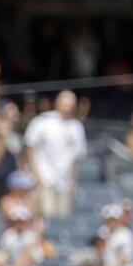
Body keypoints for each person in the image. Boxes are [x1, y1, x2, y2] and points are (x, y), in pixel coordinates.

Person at [24, 90, 86, 218]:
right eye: (66, 104)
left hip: (65, 181)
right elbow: (30, 146)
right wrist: (36, 175)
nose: (68, 108)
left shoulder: (77, 127)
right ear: (57, 104)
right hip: (45, 177)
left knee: (63, 218)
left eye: (71, 105)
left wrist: (74, 182)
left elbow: (76, 157)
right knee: (46, 216)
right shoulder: (42, 121)